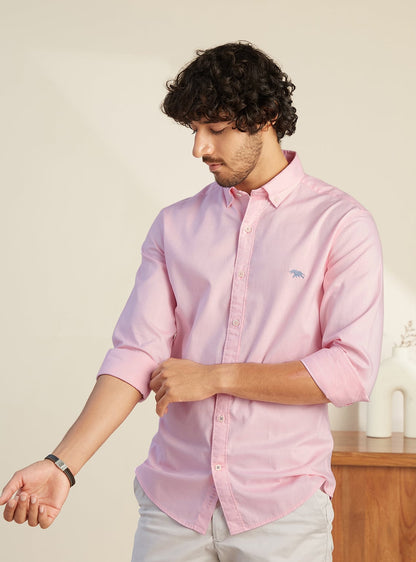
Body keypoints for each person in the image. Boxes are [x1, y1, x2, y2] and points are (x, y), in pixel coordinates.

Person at [0, 42, 383, 561]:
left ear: (266, 118)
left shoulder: (340, 224)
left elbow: (351, 370)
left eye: (216, 129)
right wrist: (62, 465)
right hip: (173, 509)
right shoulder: (174, 226)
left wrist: (216, 377)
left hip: (283, 513)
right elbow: (136, 355)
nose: (200, 148)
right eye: (195, 130)